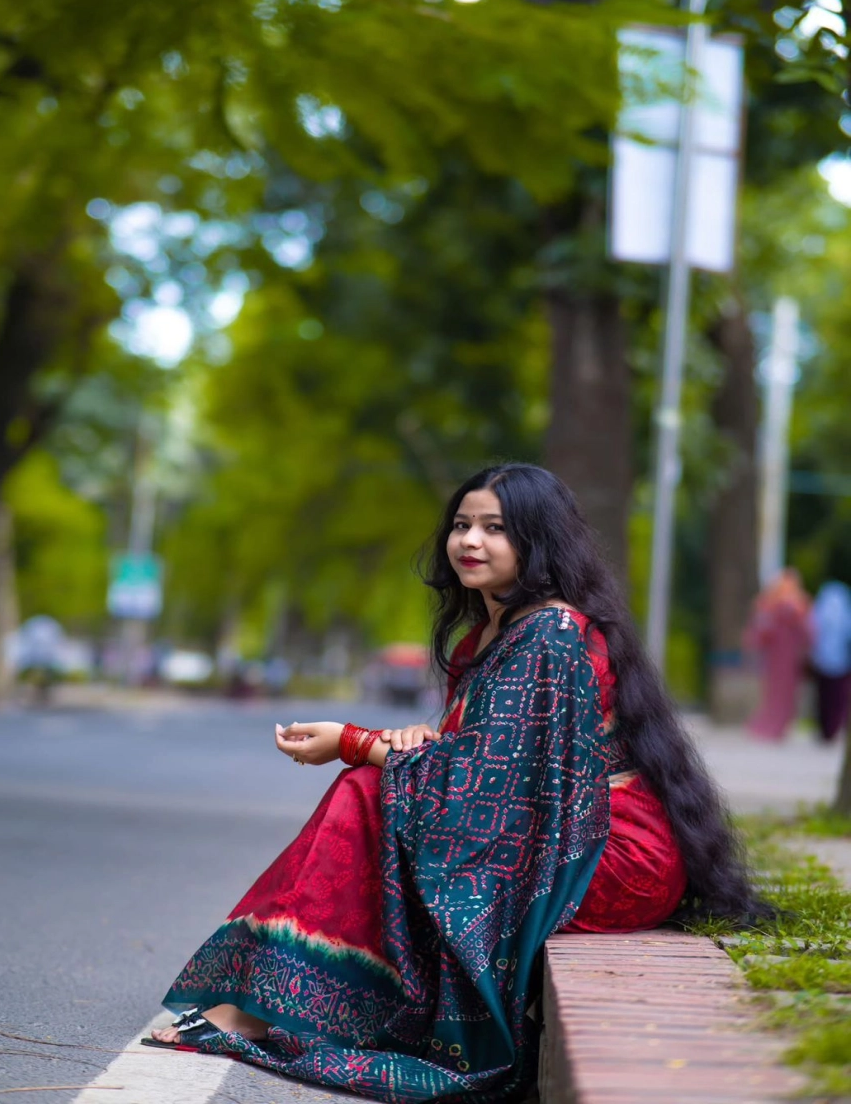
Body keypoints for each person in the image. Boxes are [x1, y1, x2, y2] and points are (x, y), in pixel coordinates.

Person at [142, 464, 765, 1103]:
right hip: (555, 835)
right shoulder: (492, 634)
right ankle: (280, 995)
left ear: (537, 540)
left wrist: (353, 742)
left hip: (606, 858)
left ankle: (260, 1006)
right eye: (462, 525)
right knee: (377, 791)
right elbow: (488, 764)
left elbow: (484, 787)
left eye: (495, 528)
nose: (470, 540)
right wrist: (421, 741)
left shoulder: (550, 634)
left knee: (366, 792)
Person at [745, 568, 813, 741]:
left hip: (784, 658)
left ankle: (776, 727)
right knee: (777, 695)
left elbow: (807, 632)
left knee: (780, 695)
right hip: (780, 658)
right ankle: (773, 727)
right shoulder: (776, 604)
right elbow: (808, 633)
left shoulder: (779, 604)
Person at [809, 581, 851, 742]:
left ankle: (826, 730)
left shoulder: (819, 611)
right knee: (838, 698)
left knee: (823, 698)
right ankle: (834, 728)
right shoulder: (844, 612)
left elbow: (811, 633)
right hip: (840, 663)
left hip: (822, 662)